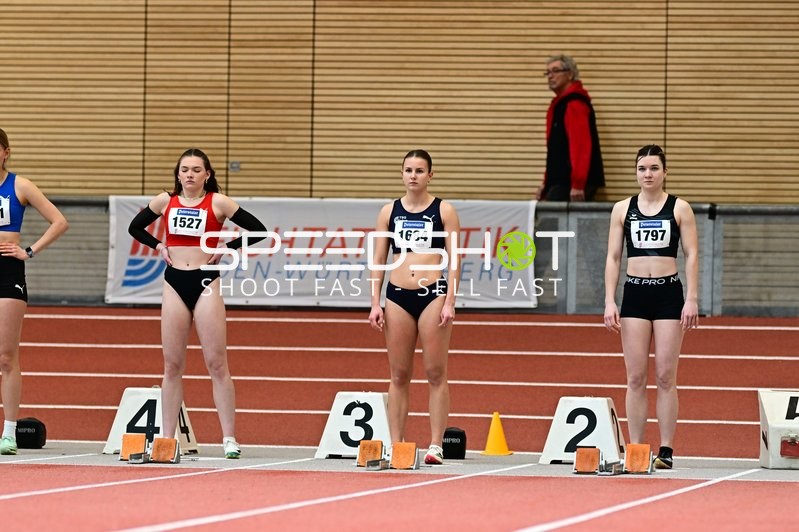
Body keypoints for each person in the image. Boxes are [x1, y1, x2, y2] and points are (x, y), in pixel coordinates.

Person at [128, 148, 266, 459]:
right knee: (172, 365)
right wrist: (159, 244)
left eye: (196, 170)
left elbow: (259, 231)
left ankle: (229, 437)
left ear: (207, 175)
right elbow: (135, 228)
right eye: (185, 169)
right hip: (174, 281)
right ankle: (166, 438)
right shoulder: (165, 201)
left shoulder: (218, 202)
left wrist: (226, 246)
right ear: (177, 174)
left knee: (217, 363)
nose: (190, 174)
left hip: (206, 281)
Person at [603, 144, 699, 469]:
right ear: (636, 173)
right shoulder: (622, 209)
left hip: (668, 294)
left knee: (665, 376)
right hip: (635, 294)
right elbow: (614, 257)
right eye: (642, 168)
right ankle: (637, 449)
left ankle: (667, 450)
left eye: (654, 168)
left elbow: (692, 255)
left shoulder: (680, 208)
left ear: (665, 172)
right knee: (635, 377)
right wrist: (608, 300)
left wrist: (692, 300)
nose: (648, 174)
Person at [368, 149, 460, 465]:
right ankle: (397, 444)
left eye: (420, 170)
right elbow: (379, 259)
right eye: (408, 170)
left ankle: (436, 444)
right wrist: (374, 303)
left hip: (433, 295)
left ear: (430, 175)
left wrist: (450, 301)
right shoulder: (388, 211)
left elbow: (455, 259)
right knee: (399, 374)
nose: (413, 176)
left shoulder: (444, 210)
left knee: (435, 372)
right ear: (402, 174)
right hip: (396, 297)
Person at [0, 128, 69, 455]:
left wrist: (29, 250)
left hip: (7, 271)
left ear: (6, 152)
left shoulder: (20, 185)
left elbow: (59, 221)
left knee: (6, 355)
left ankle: (9, 432)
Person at [536, 54, 605, 202]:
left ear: (570, 74)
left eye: (555, 71)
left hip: (571, 184)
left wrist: (578, 184)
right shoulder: (559, 105)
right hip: (562, 181)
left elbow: (580, 146)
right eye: (548, 72)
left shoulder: (575, 104)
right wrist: (546, 183)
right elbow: (555, 151)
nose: (550, 76)